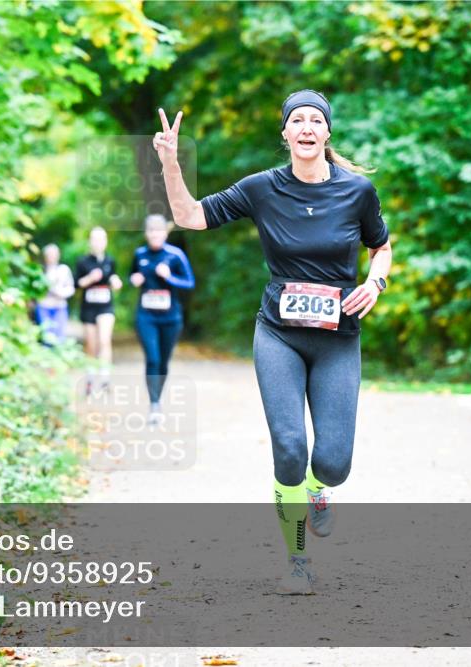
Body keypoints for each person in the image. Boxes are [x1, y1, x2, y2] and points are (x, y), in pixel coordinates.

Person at [153, 90, 393, 595]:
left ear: (327, 133)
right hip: (279, 335)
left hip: (337, 340)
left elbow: (382, 247)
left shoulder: (357, 191)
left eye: (315, 120)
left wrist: (375, 283)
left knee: (333, 464)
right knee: (289, 448)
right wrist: (171, 163)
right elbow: (190, 216)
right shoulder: (261, 188)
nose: (306, 127)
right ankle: (298, 560)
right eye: (297, 120)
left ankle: (319, 489)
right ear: (285, 133)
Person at [129, 214, 196, 424]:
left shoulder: (175, 255)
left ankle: (157, 397)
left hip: (171, 318)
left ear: (165, 233)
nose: (155, 235)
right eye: (151, 231)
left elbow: (189, 283)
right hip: (146, 316)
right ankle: (154, 404)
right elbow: (132, 276)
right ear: (146, 233)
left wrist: (169, 277)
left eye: (158, 231)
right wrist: (134, 279)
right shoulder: (140, 255)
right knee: (153, 359)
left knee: (164, 362)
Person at [75, 227, 122, 395]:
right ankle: (90, 378)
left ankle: (105, 379)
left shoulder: (110, 261)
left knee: (104, 340)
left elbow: (113, 279)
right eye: (95, 239)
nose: (98, 243)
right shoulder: (82, 261)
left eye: (101, 239)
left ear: (106, 241)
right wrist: (89, 278)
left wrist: (116, 282)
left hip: (105, 307)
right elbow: (76, 284)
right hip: (88, 308)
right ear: (90, 242)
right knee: (91, 344)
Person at [35, 244, 75, 346]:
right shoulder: (40, 270)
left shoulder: (64, 269)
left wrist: (60, 293)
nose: (52, 256)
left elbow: (71, 288)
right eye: (49, 254)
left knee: (60, 337)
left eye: (54, 254)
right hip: (44, 307)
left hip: (60, 307)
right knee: (46, 337)